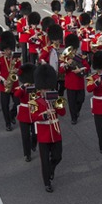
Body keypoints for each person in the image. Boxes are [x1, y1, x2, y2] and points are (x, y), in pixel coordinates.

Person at [32, 64, 65, 192]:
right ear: (40, 89)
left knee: (58, 156)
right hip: (44, 133)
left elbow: (63, 113)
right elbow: (33, 116)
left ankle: (51, 170)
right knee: (44, 160)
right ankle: (47, 183)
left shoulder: (55, 98)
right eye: (44, 89)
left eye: (48, 88)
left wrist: (56, 105)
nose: (46, 91)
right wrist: (43, 115)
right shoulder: (35, 101)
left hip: (56, 132)